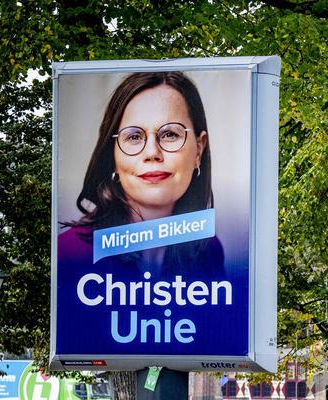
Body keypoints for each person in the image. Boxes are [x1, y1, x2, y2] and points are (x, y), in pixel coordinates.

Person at [60, 70, 224, 277]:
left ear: (198, 150)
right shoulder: (69, 252)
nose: (152, 153)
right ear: (113, 156)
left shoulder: (208, 250)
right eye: (134, 137)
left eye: (170, 134)